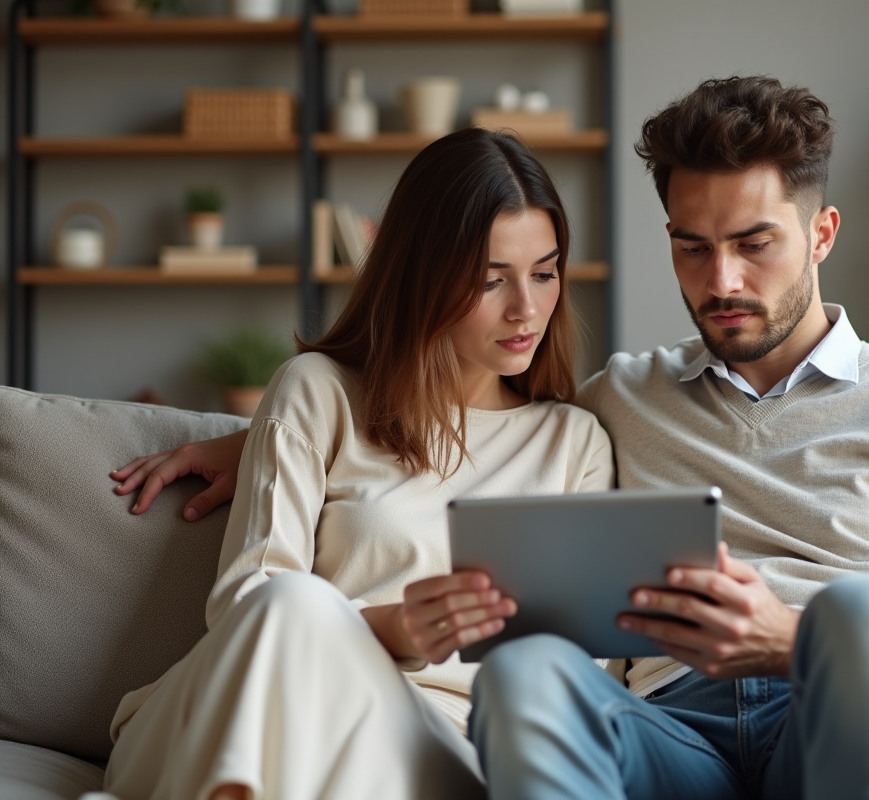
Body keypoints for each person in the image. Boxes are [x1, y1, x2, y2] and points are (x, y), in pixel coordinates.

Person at [119, 76, 869, 800]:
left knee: (860, 618)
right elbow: (442, 409)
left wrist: (793, 640)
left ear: (822, 234)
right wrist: (249, 442)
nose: (721, 277)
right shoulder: (623, 401)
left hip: (850, 703)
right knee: (528, 667)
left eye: (755, 242)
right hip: (671, 730)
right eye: (692, 244)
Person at [94, 127, 614, 800]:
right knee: (294, 599)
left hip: (432, 745)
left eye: (545, 273)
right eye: (492, 280)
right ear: (422, 276)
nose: (528, 308)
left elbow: (582, 669)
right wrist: (393, 627)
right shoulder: (317, 389)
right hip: (263, 703)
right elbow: (250, 605)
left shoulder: (573, 444)